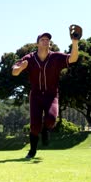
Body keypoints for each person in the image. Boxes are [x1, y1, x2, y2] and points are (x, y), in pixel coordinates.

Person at [12, 30, 79, 158]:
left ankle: (45, 130)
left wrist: (75, 43)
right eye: (42, 39)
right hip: (36, 96)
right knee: (35, 126)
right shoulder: (29, 58)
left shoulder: (56, 57)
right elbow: (14, 72)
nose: (46, 41)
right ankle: (32, 151)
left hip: (51, 95)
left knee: (51, 120)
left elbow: (73, 58)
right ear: (37, 44)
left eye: (48, 40)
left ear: (50, 44)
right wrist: (20, 68)